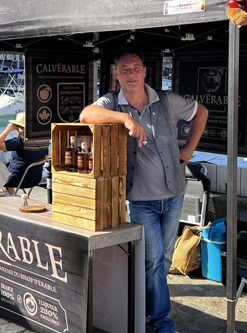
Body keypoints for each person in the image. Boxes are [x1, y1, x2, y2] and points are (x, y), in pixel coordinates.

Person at [79, 51, 208, 333]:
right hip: (140, 200)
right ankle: (162, 322)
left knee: (162, 259)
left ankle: (146, 311)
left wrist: (189, 149)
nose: (131, 74)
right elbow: (85, 114)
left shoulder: (167, 100)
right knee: (151, 259)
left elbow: (202, 113)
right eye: (124, 70)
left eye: (136, 68)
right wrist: (125, 120)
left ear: (145, 72)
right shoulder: (112, 102)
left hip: (174, 194)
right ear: (116, 74)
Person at [0, 112, 49, 196]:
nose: (16, 129)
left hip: (16, 179)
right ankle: (12, 196)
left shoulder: (20, 142)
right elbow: (46, 158)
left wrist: (8, 129)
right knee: (7, 172)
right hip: (35, 179)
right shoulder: (44, 140)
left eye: (18, 126)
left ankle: (9, 196)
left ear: (23, 128)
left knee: (1, 177)